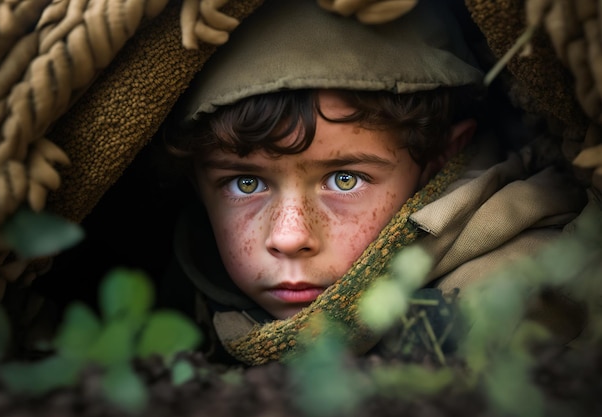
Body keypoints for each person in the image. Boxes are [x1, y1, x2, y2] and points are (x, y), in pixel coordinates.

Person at [158, 0, 587, 363]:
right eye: (246, 184)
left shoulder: (515, 296)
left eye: (345, 179)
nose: (290, 238)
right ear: (198, 185)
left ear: (440, 160)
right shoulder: (175, 298)